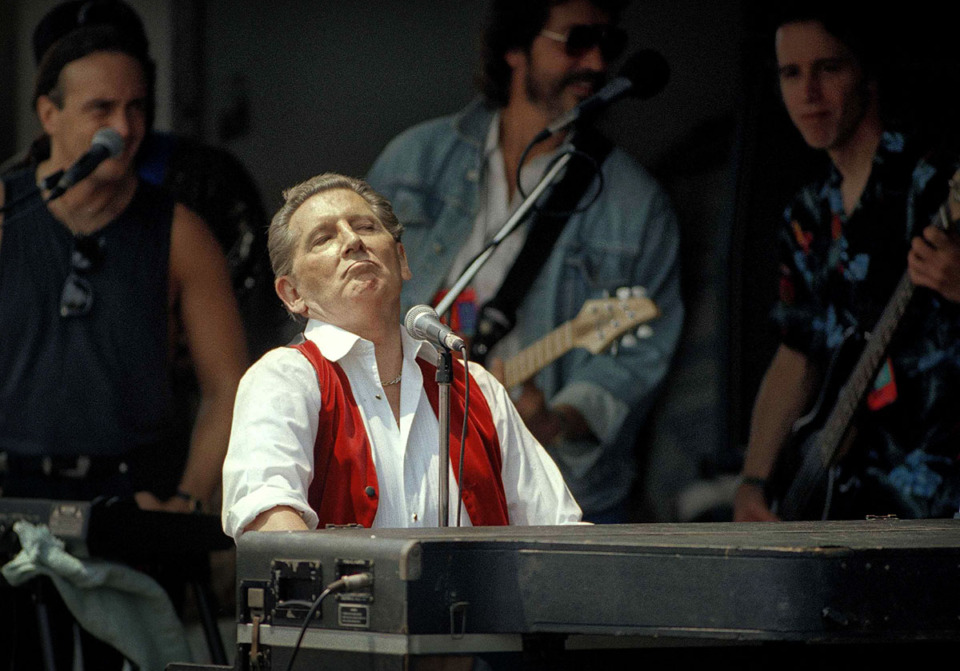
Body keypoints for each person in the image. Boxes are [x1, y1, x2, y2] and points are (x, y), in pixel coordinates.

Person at [366, 0, 683, 523]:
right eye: (576, 40)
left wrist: (557, 420)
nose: (598, 64)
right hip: (397, 468)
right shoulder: (414, 160)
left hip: (536, 489)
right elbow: (343, 292)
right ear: (515, 48)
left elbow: (635, 362)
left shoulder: (635, 206)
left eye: (610, 46)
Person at [221, 173, 582, 538]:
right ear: (292, 294)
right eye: (324, 238)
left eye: (364, 226)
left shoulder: (477, 387)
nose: (353, 241)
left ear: (402, 259)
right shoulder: (283, 379)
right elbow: (266, 517)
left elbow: (561, 531)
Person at [733, 5, 960, 521]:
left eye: (828, 68)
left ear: (867, 73)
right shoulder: (807, 213)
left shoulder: (932, 182)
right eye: (791, 74)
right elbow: (796, 354)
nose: (807, 93)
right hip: (840, 504)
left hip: (940, 503)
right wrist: (753, 481)